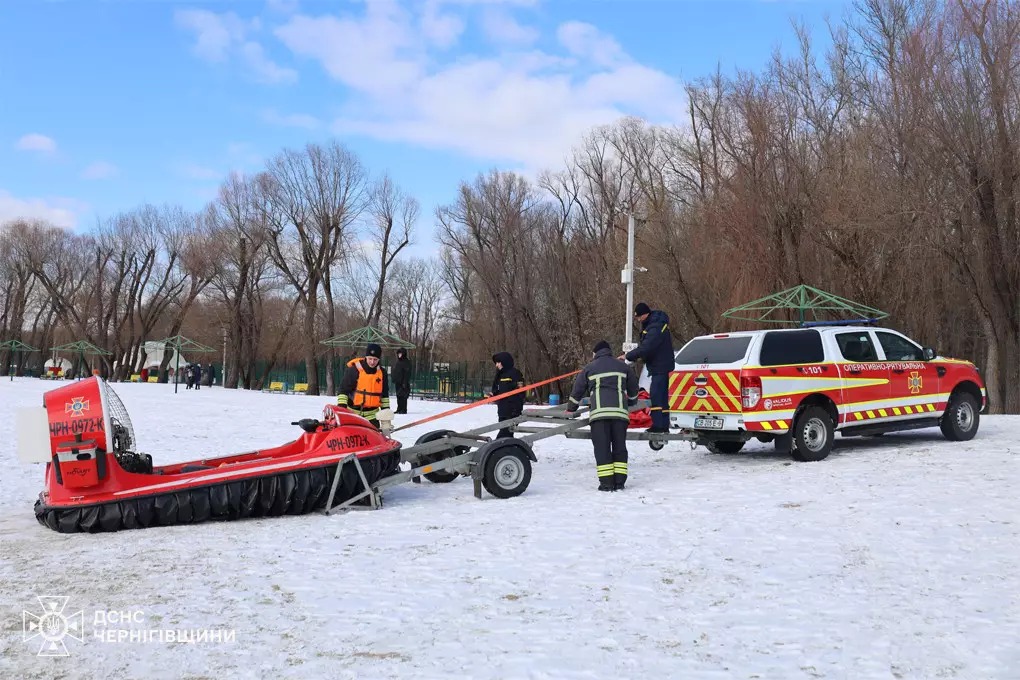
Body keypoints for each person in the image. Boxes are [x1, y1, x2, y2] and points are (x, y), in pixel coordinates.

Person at [567, 340, 639, 491]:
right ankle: (619, 482)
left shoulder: (589, 368)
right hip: (620, 415)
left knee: (602, 448)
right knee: (619, 447)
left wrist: (571, 407)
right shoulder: (623, 367)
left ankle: (606, 483)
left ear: (595, 353)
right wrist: (632, 402)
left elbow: (578, 390)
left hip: (599, 416)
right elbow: (633, 388)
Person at [620, 302, 674, 433]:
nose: (638, 320)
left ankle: (658, 425)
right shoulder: (654, 324)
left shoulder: (655, 327)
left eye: (639, 317)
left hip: (659, 366)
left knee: (656, 396)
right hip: (659, 365)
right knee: (661, 397)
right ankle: (663, 425)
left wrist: (628, 356)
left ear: (645, 314)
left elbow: (647, 347)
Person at [337, 343, 391, 428]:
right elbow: (343, 390)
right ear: (366, 357)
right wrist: (342, 410)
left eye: (375, 359)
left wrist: (386, 420)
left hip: (372, 417)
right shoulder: (354, 369)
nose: (372, 362)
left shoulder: (382, 373)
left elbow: (384, 396)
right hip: (353, 415)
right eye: (370, 358)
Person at [491, 351, 525, 438]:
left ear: (504, 361)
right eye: (496, 363)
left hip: (512, 410)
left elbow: (521, 391)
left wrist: (516, 410)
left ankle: (499, 450)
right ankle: (509, 450)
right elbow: (497, 390)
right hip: (502, 410)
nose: (497, 365)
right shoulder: (499, 375)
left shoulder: (515, 373)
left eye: (498, 362)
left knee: (503, 436)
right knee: (507, 435)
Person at [392, 348, 412, 414]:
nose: (399, 355)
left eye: (400, 354)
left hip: (403, 383)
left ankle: (403, 409)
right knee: (398, 396)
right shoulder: (398, 362)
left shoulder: (406, 362)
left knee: (403, 396)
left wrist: (405, 382)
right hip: (398, 382)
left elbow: (407, 373)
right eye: (398, 354)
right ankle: (399, 408)